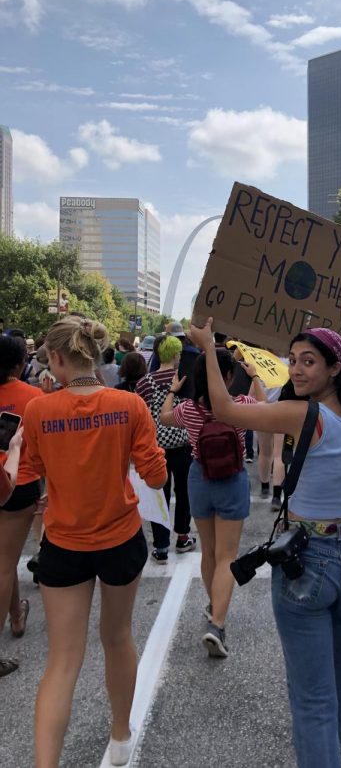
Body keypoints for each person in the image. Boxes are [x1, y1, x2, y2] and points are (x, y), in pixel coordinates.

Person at [189, 311, 341, 768]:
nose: (297, 369)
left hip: (309, 560)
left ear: (334, 367)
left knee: (312, 695)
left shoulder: (304, 414)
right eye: (293, 360)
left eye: (309, 361)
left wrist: (209, 348)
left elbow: (225, 410)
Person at [22, 316, 167, 768]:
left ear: (59, 359)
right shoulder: (128, 405)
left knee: (62, 660)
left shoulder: (39, 410)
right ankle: (120, 735)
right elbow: (157, 475)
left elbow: (25, 478)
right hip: (120, 538)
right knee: (117, 636)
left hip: (63, 544)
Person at [159, 347, 264, 657]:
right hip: (232, 480)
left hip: (198, 478)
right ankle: (216, 622)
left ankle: (214, 606)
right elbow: (264, 404)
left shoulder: (188, 409)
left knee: (209, 551)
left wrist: (171, 390)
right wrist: (255, 375)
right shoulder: (239, 406)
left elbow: (164, 418)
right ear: (229, 376)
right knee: (227, 555)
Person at [0, 335, 44, 677]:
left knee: (6, 557)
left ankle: (17, 615)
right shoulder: (33, 397)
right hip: (21, 484)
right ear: (20, 364)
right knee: (4, 562)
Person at [136, 335, 196, 562]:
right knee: (183, 492)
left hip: (155, 447)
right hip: (182, 445)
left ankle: (161, 545)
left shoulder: (145, 383)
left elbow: (139, 415)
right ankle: (182, 537)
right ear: (176, 354)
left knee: (158, 494)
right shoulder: (185, 380)